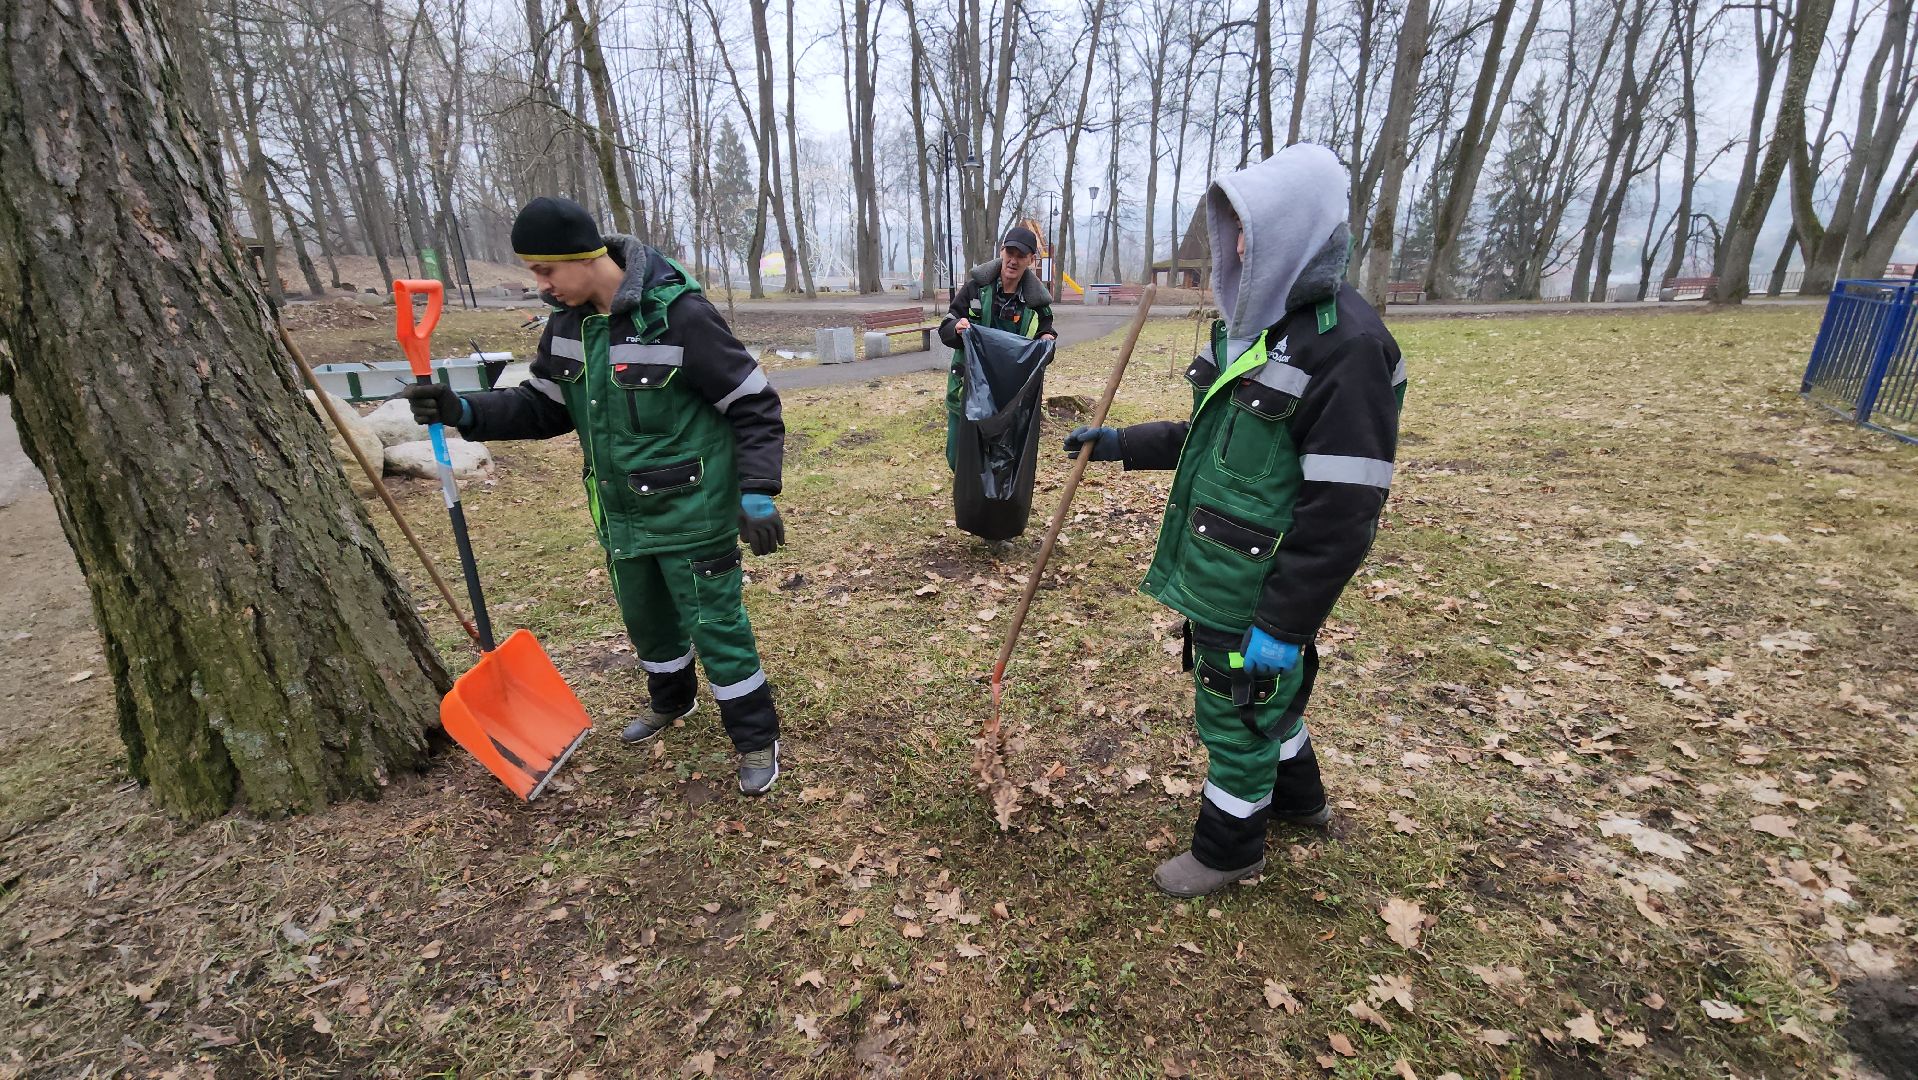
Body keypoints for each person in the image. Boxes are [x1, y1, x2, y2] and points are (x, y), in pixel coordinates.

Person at [1064, 144, 1407, 897]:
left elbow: (1345, 512)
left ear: (1300, 231)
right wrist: (1120, 444)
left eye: (1254, 229)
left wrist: (1283, 626)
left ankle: (1228, 849)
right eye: (1235, 230)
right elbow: (1211, 442)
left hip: (1259, 583)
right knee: (1268, 702)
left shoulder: (1346, 347)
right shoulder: (1265, 328)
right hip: (1223, 567)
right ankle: (1301, 800)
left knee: (1237, 710)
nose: (1240, 247)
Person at [401, 197, 790, 795]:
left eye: (545, 270)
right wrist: (465, 410)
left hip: (694, 511)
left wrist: (757, 490)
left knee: (717, 628)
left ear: (584, 258)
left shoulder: (680, 317)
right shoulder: (567, 325)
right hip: (622, 515)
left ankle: (755, 736)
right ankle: (671, 702)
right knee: (648, 622)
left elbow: (754, 404)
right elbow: (542, 407)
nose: (540, 285)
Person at [939, 226, 1057, 470]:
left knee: (1000, 460)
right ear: (1001, 252)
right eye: (1009, 253)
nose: (1013, 261)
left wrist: (1047, 340)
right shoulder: (975, 288)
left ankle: (990, 504)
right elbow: (945, 329)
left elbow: (1048, 335)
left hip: (1009, 396)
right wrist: (956, 328)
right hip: (968, 388)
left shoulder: (1036, 303)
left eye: (1021, 256)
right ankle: (969, 500)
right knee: (957, 454)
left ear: (1031, 260)